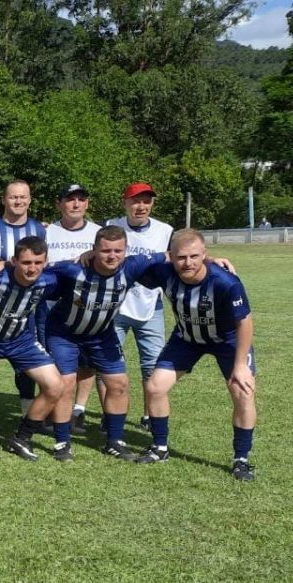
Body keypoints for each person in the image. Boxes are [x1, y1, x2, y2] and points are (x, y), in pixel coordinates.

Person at [134, 229, 257, 480]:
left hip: (227, 341)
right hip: (187, 339)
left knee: (243, 392)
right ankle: (160, 448)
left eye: (194, 256)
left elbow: (244, 322)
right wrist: (90, 257)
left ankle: (241, 459)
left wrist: (240, 365)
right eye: (181, 257)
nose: (188, 263)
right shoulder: (164, 272)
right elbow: (125, 268)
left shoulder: (225, 282)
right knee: (155, 387)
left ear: (204, 255)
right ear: (171, 256)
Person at [41, 225, 168, 462]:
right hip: (64, 333)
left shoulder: (133, 265)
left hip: (101, 334)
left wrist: (211, 260)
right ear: (94, 250)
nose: (112, 256)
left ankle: (115, 441)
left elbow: (172, 255)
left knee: (119, 383)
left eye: (118, 251)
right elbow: (33, 269)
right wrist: (2, 264)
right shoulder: (73, 268)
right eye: (106, 251)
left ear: (126, 250)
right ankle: (62, 442)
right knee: (65, 384)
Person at [0, 237, 64, 461]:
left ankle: (22, 438)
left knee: (55, 386)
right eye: (26, 262)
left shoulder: (49, 281)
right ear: (14, 261)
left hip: (21, 341)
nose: (32, 268)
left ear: (46, 262)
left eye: (38, 263)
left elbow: (75, 269)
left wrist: (88, 256)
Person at [0, 179, 48, 417]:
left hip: (25, 309)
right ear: (4, 200)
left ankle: (27, 407)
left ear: (30, 200)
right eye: (13, 196)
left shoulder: (39, 229)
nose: (18, 201)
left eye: (23, 197)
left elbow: (42, 265)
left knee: (25, 363)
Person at [107, 182, 173, 429]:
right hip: (115, 307)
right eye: (135, 201)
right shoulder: (110, 226)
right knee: (109, 364)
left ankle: (149, 415)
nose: (141, 206)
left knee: (153, 365)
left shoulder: (165, 231)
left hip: (150, 305)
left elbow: (184, 255)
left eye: (146, 201)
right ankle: (110, 415)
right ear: (125, 203)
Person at [44, 184, 102, 433]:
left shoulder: (98, 232)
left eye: (81, 199)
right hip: (52, 307)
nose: (76, 204)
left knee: (86, 362)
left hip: (89, 309)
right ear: (59, 204)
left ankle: (78, 409)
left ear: (87, 203)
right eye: (70, 199)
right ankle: (53, 409)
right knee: (52, 362)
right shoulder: (47, 232)